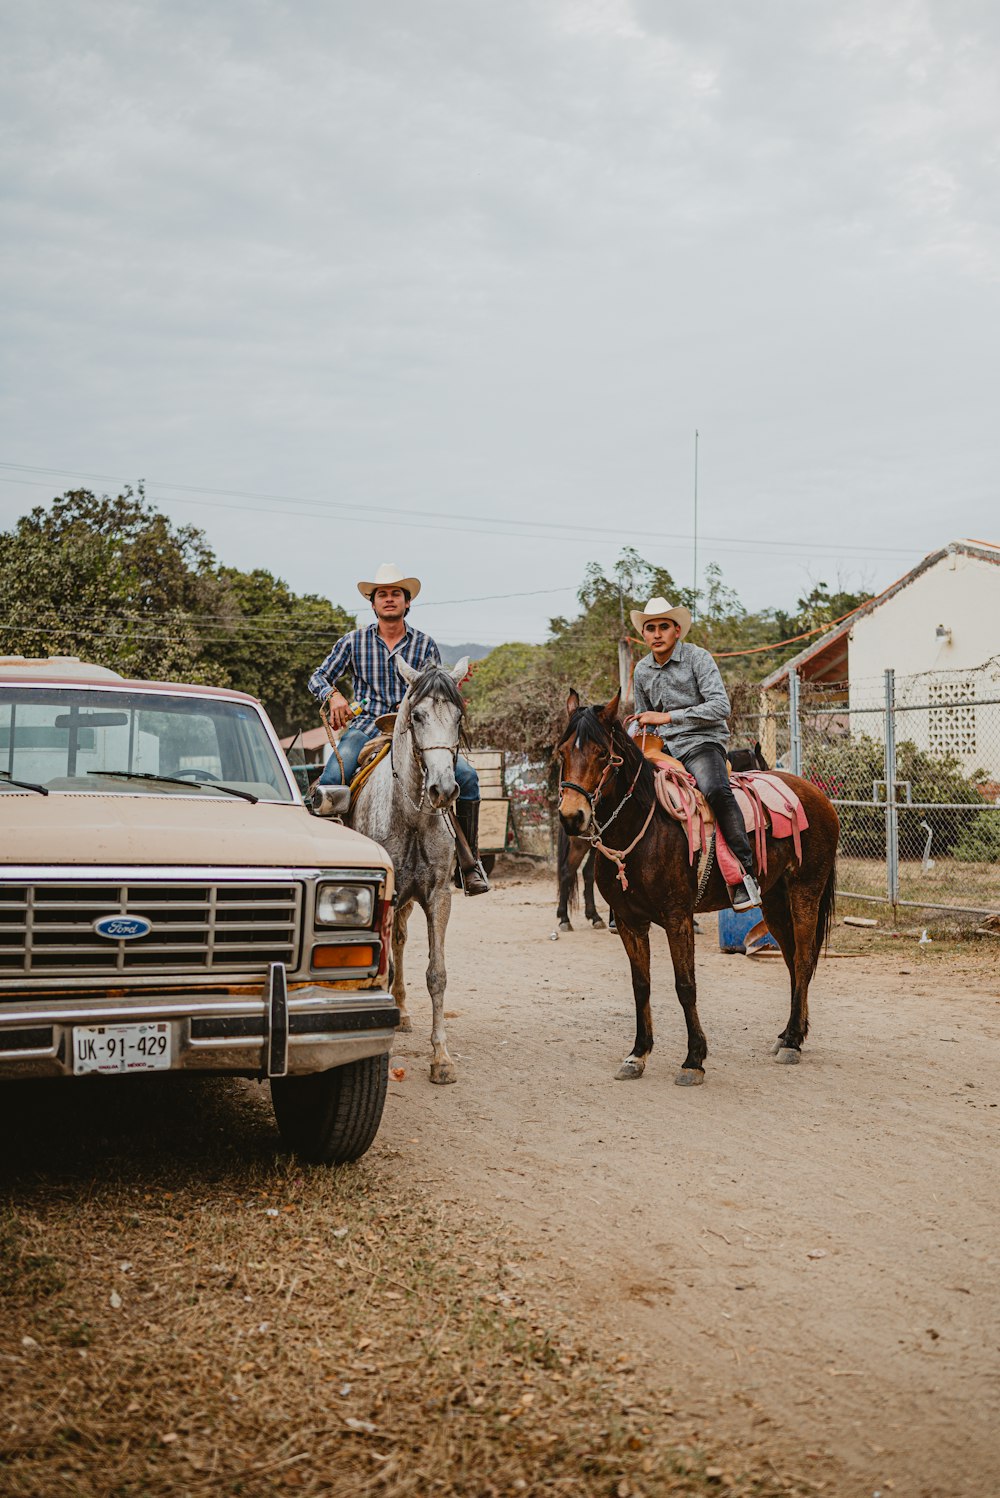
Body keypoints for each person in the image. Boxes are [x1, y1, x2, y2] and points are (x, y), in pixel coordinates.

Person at [308, 562, 489, 895]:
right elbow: (317, 677)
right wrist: (333, 695)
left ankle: (469, 862)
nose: (389, 599)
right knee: (333, 779)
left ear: (407, 603)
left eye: (395, 594)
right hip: (366, 728)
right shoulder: (353, 642)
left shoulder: (425, 645)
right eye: (382, 595)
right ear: (373, 603)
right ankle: (327, 862)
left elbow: (437, 693)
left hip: (415, 733)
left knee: (467, 778)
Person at [628, 595, 762, 912]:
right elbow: (643, 717)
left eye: (663, 627)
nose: (657, 634)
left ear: (677, 631)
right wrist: (635, 732)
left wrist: (669, 717)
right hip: (663, 749)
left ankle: (745, 876)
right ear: (644, 635)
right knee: (631, 793)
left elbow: (720, 707)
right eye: (650, 628)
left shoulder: (698, 659)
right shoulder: (642, 671)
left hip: (702, 743)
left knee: (716, 790)